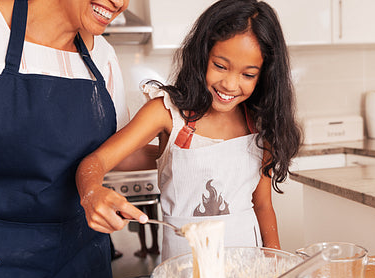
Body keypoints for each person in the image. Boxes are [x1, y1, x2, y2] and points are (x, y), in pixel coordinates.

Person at [76, 0, 303, 261]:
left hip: (247, 271)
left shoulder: (261, 125)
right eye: (220, 66)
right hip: (183, 271)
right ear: (202, 55)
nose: (230, 84)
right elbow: (96, 161)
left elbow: (263, 205)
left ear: (264, 76)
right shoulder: (166, 112)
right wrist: (91, 192)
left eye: (248, 74)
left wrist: (275, 261)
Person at [0, 0, 135, 278]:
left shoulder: (103, 56)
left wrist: (181, 140)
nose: (120, 2)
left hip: (84, 269)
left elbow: (114, 153)